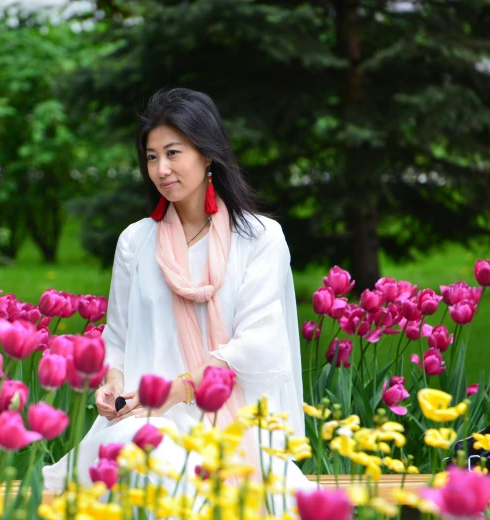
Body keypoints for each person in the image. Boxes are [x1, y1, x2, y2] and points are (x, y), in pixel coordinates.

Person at [42, 88, 312, 508]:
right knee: (152, 454)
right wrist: (112, 382)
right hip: (148, 422)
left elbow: (258, 341)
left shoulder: (259, 238)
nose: (161, 169)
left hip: (234, 426)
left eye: (173, 153)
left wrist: (180, 389)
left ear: (207, 155)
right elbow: (118, 336)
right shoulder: (136, 241)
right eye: (151, 157)